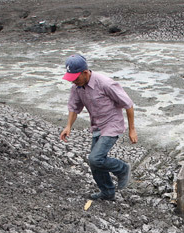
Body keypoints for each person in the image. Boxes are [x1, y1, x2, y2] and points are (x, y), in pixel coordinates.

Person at [59, 54, 137, 201]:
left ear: (85, 72)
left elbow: (128, 104)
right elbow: (74, 107)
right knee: (95, 164)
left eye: (76, 78)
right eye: (71, 79)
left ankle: (123, 169)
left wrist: (132, 129)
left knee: (95, 158)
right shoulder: (77, 87)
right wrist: (68, 126)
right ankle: (107, 192)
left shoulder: (105, 84)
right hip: (96, 125)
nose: (74, 82)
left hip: (112, 124)